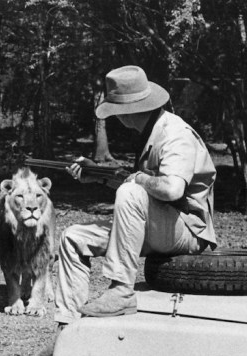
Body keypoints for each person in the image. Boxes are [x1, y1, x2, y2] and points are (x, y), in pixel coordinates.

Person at [53, 65, 217, 323]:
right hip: (156, 225)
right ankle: (68, 327)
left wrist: (138, 178)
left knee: (131, 190)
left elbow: (172, 189)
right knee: (72, 237)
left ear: (126, 111)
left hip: (186, 230)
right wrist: (97, 174)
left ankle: (121, 290)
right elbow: (141, 187)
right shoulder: (150, 131)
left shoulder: (175, 134)